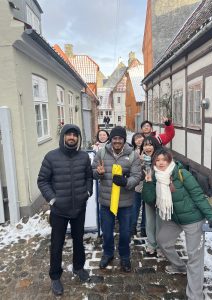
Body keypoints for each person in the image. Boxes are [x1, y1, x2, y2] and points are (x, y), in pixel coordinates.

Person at [142, 148, 212, 300]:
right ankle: (179, 266)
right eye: (157, 160)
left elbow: (198, 196)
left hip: (193, 220)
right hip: (174, 219)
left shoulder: (183, 174)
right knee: (162, 240)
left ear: (170, 160)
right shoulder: (155, 176)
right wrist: (149, 183)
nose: (161, 163)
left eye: (164, 159)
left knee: (194, 258)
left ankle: (195, 296)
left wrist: (211, 217)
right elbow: (149, 200)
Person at [37, 124, 93, 296]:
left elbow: (89, 176)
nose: (71, 137)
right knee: (57, 244)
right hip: (59, 211)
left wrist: (88, 192)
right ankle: (55, 276)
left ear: (78, 138)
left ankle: (78, 268)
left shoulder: (83, 157)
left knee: (78, 240)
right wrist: (53, 200)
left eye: (75, 135)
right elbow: (42, 181)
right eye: (68, 134)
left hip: (78, 209)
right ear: (63, 137)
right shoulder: (51, 157)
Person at [92, 126, 142, 272]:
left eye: (120, 138)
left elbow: (137, 176)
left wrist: (126, 182)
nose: (117, 141)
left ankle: (125, 257)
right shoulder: (101, 153)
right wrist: (98, 173)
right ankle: (107, 254)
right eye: (115, 138)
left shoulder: (132, 154)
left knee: (125, 232)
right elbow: (92, 171)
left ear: (124, 140)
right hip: (106, 201)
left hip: (125, 202)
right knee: (107, 231)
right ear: (111, 139)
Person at [141, 136, 163, 256]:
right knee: (150, 221)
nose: (147, 147)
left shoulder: (161, 158)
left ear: (155, 146)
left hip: (161, 194)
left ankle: (160, 246)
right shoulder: (141, 160)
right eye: (145, 145)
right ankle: (151, 244)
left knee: (161, 221)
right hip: (149, 194)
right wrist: (141, 165)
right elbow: (138, 176)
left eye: (150, 145)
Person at [131, 132, 146, 237]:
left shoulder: (149, 150)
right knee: (135, 206)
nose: (139, 140)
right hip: (136, 184)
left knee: (146, 208)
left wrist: (144, 161)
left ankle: (144, 228)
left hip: (148, 184)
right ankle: (133, 227)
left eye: (140, 137)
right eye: (136, 139)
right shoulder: (132, 153)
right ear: (134, 141)